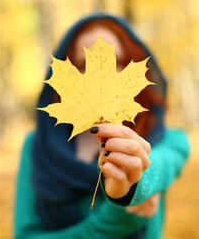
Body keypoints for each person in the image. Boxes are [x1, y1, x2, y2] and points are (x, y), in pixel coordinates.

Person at [14, 14, 189, 239]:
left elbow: (156, 168)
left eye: (115, 60)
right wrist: (115, 222)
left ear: (134, 66)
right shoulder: (36, 146)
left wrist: (131, 185)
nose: (98, 76)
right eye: (82, 64)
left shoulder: (169, 140)